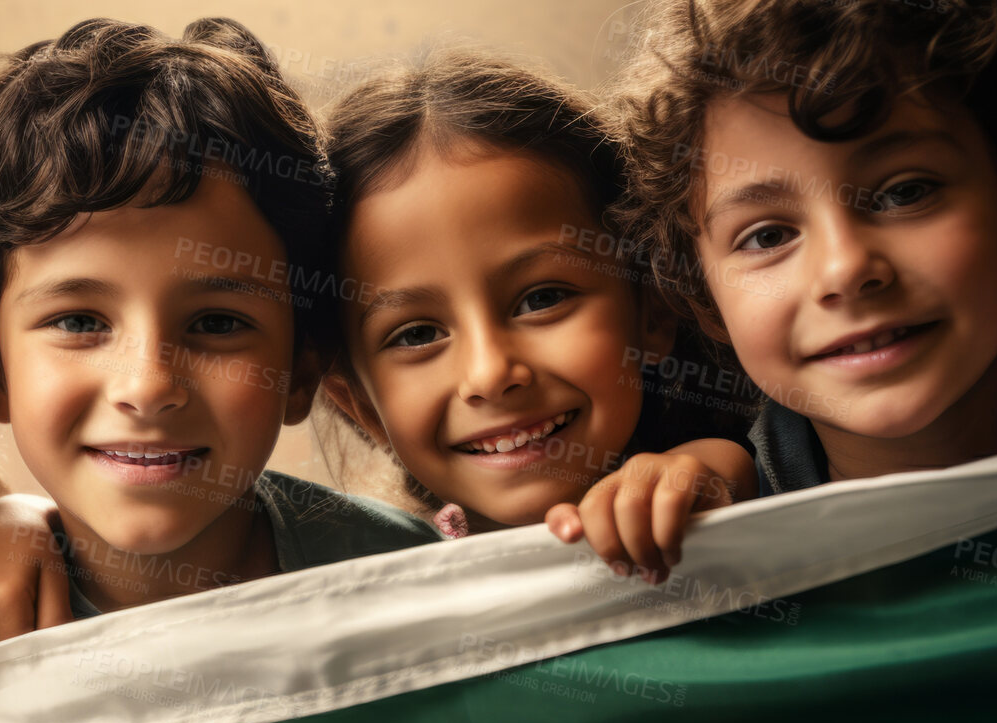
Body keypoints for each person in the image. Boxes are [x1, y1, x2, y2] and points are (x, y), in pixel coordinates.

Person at [0, 16, 440, 648]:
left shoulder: (419, 589)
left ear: (301, 370)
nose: (147, 387)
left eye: (218, 323)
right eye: (79, 322)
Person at [611, 0, 997, 495]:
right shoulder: (705, 512)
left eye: (905, 192)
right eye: (768, 237)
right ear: (704, 299)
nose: (845, 268)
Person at [318, 50, 757, 584]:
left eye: (542, 299)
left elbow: (719, 485)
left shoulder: (722, 475)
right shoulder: (378, 582)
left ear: (654, 309)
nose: (490, 373)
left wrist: (705, 477)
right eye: (418, 334)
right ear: (361, 404)